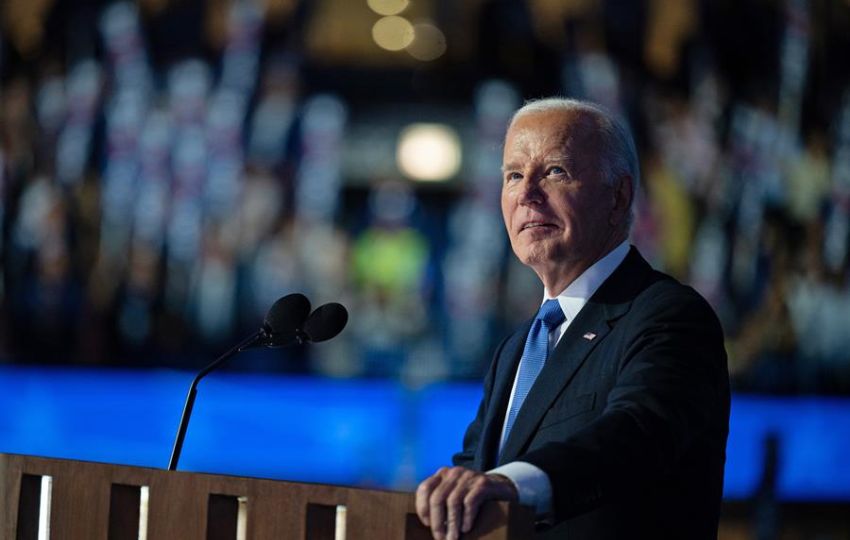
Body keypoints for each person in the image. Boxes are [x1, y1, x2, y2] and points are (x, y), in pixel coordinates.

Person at [415, 98, 730, 539]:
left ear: (618, 196)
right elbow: (476, 474)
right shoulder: (518, 347)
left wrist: (511, 485)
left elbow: (636, 436)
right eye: (514, 175)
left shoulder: (668, 316)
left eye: (555, 172)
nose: (527, 194)